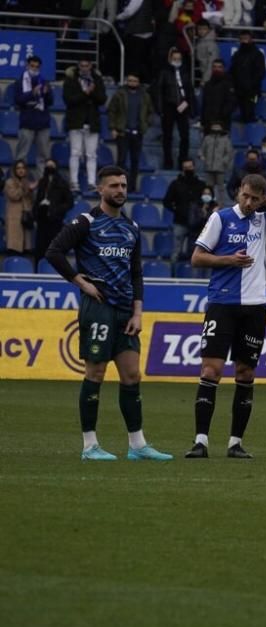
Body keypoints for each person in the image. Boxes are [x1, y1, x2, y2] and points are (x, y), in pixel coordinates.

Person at [45, 166, 172, 462]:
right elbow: (54, 251)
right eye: (114, 185)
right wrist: (81, 283)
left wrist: (138, 312)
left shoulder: (132, 228)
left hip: (126, 311)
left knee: (131, 374)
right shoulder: (87, 222)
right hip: (98, 307)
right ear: (100, 190)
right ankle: (90, 446)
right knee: (96, 372)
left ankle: (137, 446)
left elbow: (137, 272)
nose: (120, 191)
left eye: (124, 186)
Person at [185, 175, 266, 459]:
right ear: (238, 193)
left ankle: (235, 443)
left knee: (245, 372)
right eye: (245, 196)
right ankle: (200, 441)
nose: (248, 203)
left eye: (255, 199)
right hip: (222, 303)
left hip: (255, 307)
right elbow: (197, 258)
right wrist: (228, 260)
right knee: (211, 370)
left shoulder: (262, 220)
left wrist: (264, 200)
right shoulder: (220, 218)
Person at [63, 59, 107, 194]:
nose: (84, 68)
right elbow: (68, 100)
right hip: (76, 121)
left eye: (86, 65)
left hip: (92, 121)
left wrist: (92, 92)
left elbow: (102, 99)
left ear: (91, 66)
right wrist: (85, 93)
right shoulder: (70, 79)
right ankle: (74, 182)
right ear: (78, 66)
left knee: (91, 154)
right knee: (75, 153)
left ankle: (91, 182)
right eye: (81, 65)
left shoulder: (97, 79)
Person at [107, 73, 153, 189]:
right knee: (121, 160)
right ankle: (119, 185)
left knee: (135, 161)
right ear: (127, 81)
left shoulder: (145, 96)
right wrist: (113, 128)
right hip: (122, 132)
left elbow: (150, 112)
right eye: (130, 81)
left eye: (135, 81)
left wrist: (146, 125)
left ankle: (132, 186)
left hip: (137, 133)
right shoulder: (120, 94)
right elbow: (112, 111)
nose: (132, 83)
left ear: (138, 82)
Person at [152, 48, 195, 170]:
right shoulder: (164, 72)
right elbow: (159, 91)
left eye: (179, 59)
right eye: (174, 59)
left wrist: (191, 108)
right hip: (168, 106)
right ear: (170, 59)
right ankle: (168, 161)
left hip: (183, 106)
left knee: (185, 136)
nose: (177, 61)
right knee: (167, 136)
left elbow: (190, 91)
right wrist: (160, 109)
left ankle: (183, 160)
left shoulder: (185, 73)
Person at [14, 55, 53, 177]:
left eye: (37, 66)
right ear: (27, 66)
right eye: (32, 66)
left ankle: (42, 184)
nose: (34, 68)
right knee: (21, 156)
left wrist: (46, 94)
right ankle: (19, 184)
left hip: (42, 124)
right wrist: (32, 93)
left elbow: (50, 102)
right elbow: (18, 100)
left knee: (44, 157)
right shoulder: (20, 82)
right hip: (27, 123)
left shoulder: (44, 82)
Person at [163, 159, 208, 261]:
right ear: (182, 169)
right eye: (186, 168)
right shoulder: (175, 184)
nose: (188, 169)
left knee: (195, 253)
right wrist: (177, 210)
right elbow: (166, 201)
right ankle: (173, 276)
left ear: (194, 167)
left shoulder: (201, 184)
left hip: (197, 224)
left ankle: (192, 276)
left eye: (190, 167)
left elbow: (207, 198)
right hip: (180, 222)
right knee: (175, 252)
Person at [33, 160, 74, 263]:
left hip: (55, 220)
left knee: (54, 248)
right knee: (40, 249)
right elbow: (37, 199)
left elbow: (69, 202)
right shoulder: (42, 182)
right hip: (42, 220)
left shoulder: (62, 182)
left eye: (52, 165)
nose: (49, 167)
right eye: (47, 166)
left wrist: (56, 209)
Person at [229, 30, 266, 124]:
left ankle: (251, 132)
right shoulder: (237, 55)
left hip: (253, 92)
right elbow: (232, 71)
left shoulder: (258, 54)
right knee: (241, 113)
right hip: (239, 92)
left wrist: (250, 85)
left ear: (251, 39)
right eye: (242, 39)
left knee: (250, 112)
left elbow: (261, 73)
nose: (244, 41)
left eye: (246, 38)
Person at [4, 160, 36, 256]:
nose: (21, 170)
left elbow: (31, 200)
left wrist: (30, 191)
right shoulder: (9, 182)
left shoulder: (28, 182)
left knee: (26, 248)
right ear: (15, 170)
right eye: (18, 168)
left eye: (23, 168)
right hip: (14, 219)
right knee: (14, 247)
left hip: (26, 219)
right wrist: (25, 188)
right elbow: (14, 196)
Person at [200, 123, 234, 202]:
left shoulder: (225, 140)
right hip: (208, 167)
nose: (215, 132)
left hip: (220, 168)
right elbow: (202, 149)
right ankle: (209, 204)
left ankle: (220, 205)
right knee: (208, 187)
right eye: (214, 130)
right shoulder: (207, 138)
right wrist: (202, 156)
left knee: (220, 188)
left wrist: (223, 162)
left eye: (217, 130)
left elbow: (229, 153)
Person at [200, 59, 235, 132]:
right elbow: (204, 104)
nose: (217, 69)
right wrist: (203, 121)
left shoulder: (229, 85)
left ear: (223, 69)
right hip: (208, 122)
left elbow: (231, 104)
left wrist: (221, 116)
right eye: (215, 67)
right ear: (212, 68)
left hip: (222, 123)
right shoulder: (207, 85)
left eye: (219, 67)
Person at [192, 20, 220, 85]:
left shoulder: (211, 43)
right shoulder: (201, 40)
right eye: (199, 29)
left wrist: (205, 79)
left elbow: (211, 63)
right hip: (204, 72)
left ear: (209, 29)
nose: (201, 31)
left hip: (209, 76)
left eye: (204, 29)